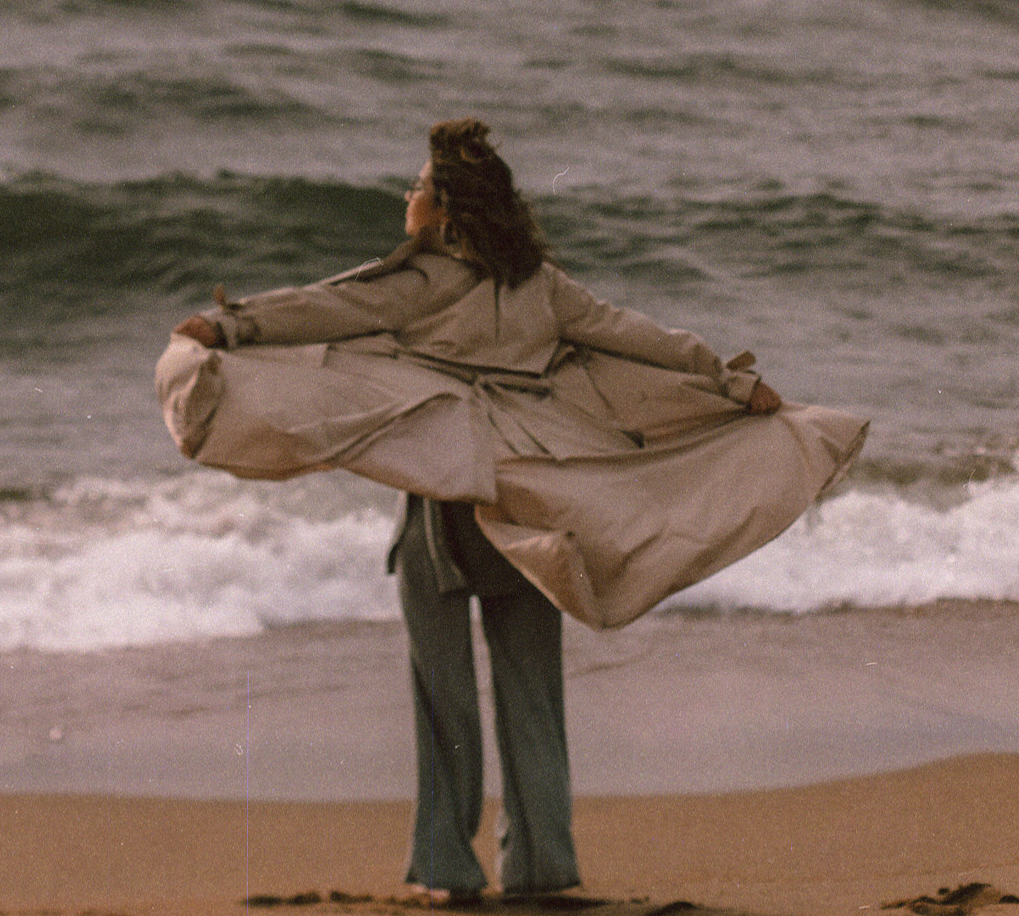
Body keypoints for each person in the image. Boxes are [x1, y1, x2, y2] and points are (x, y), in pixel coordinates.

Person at [171, 119, 798, 903]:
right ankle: (542, 866)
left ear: (446, 208)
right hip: (527, 506)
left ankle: (448, 869)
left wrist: (227, 325)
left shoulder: (421, 282)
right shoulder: (543, 286)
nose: (408, 197)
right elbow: (638, 336)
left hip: (444, 511)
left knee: (443, 698)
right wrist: (731, 382)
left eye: (418, 187)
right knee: (533, 693)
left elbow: (322, 308)